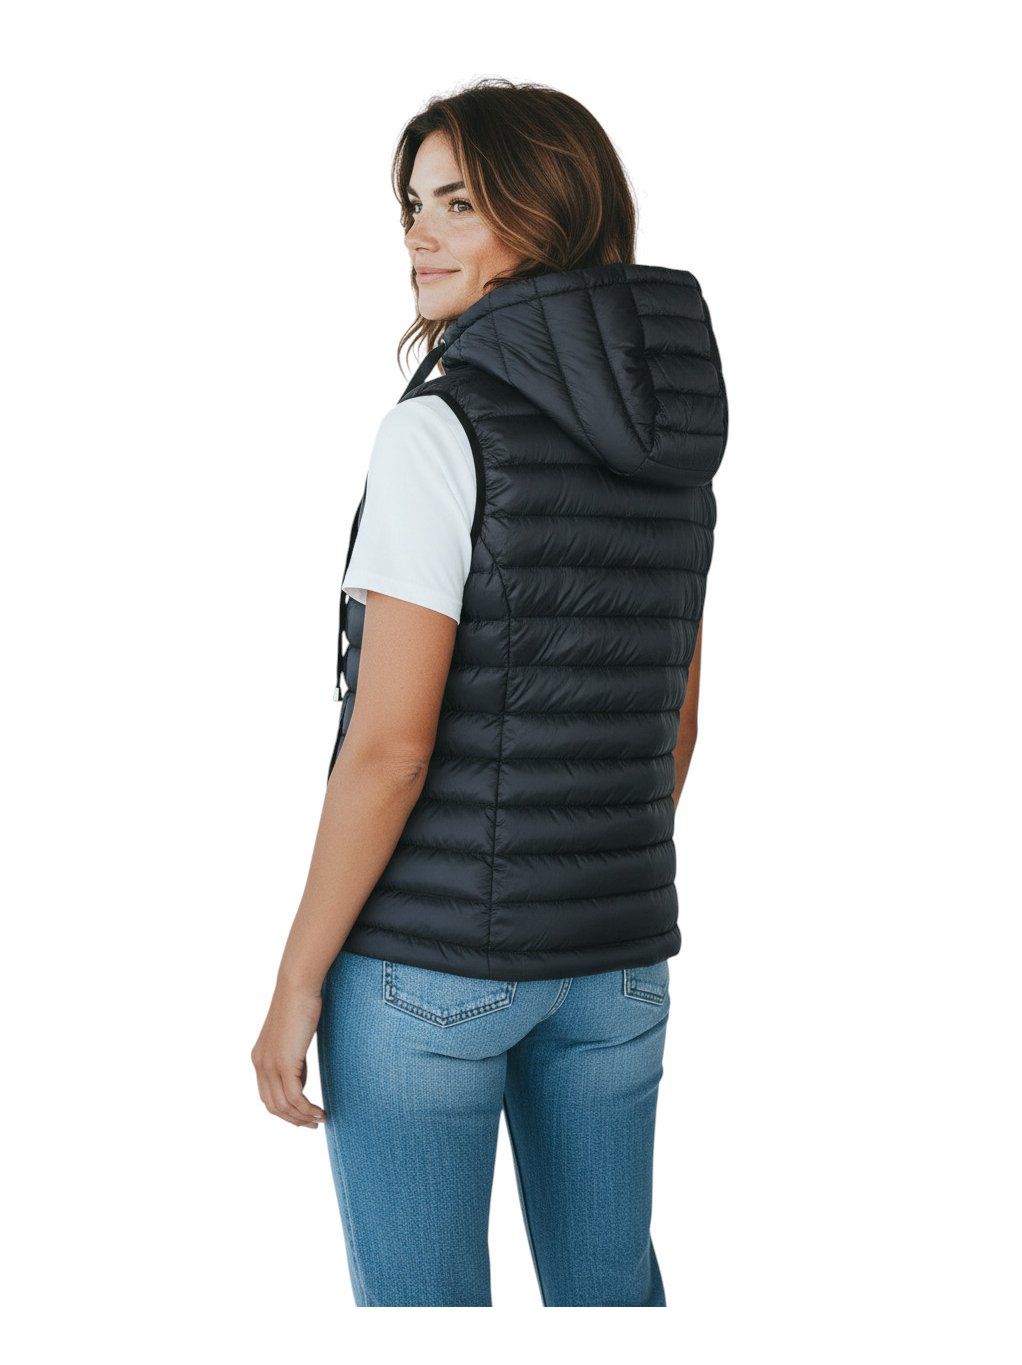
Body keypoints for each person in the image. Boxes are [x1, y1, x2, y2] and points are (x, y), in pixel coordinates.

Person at [251, 77, 728, 1308]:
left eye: (458, 204)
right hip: (617, 963)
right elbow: (674, 723)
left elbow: (389, 751)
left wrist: (297, 979)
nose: (418, 234)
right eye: (412, 204)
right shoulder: (677, 451)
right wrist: (578, 891)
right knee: (611, 1300)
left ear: (547, 208)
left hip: (426, 972)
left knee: (423, 1319)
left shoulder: (438, 430)